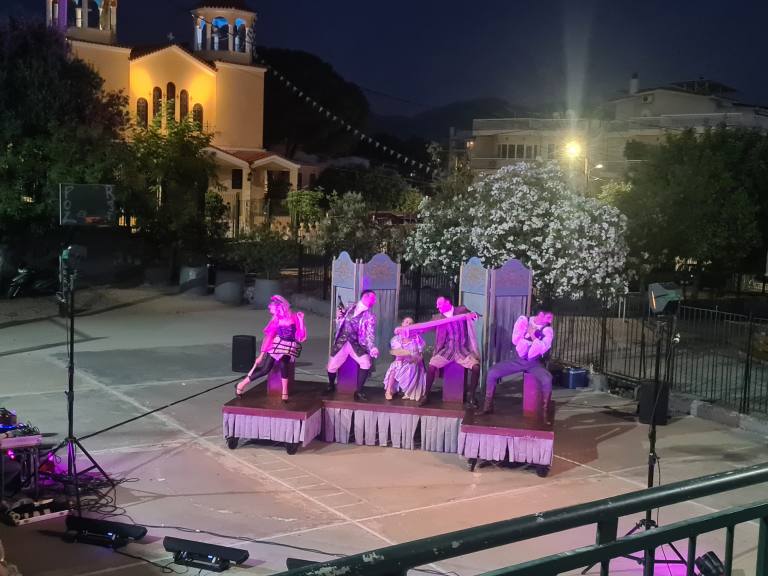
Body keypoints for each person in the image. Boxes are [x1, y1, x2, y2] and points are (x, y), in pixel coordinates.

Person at [482, 310, 554, 421]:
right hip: (518, 360)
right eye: (548, 317)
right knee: (492, 372)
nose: (550, 321)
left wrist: (533, 335)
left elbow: (543, 348)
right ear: (540, 314)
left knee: (547, 379)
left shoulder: (548, 330)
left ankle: (545, 413)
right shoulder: (524, 321)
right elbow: (515, 341)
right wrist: (528, 335)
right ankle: (488, 407)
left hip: (534, 363)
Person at [236, 295, 306, 402]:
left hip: (289, 346)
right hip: (277, 345)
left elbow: (301, 336)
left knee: (284, 363)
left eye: (276, 309)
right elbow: (269, 337)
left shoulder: (295, 317)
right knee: (265, 369)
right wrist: (261, 355)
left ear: (282, 307)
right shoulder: (276, 320)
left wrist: (301, 321)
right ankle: (241, 384)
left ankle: (284, 391)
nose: (275, 312)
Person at [420, 296, 480, 407]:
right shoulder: (438, 317)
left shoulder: (461, 310)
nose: (437, 306)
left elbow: (474, 315)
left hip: (462, 350)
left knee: (476, 367)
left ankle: (471, 397)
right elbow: (425, 327)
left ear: (447, 302)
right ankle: (426, 395)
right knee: (432, 366)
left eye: (439, 304)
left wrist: (473, 315)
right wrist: (408, 330)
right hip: (447, 350)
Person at [324, 289, 379, 401]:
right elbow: (340, 322)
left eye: (374, 299)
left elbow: (370, 334)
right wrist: (339, 317)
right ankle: (331, 385)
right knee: (331, 366)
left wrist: (372, 347)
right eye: (371, 297)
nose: (373, 300)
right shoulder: (350, 307)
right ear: (364, 296)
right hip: (342, 341)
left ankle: (359, 391)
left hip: (356, 343)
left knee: (366, 362)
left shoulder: (370, 316)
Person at [383, 317, 426, 401]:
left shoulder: (417, 339)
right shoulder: (396, 339)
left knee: (412, 367)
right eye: (406, 322)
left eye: (410, 323)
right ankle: (388, 391)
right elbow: (398, 353)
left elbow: (421, 355)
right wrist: (405, 356)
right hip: (401, 360)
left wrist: (416, 359)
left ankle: (408, 391)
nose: (408, 324)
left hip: (414, 361)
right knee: (395, 367)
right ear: (402, 324)